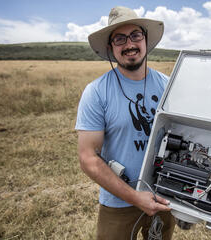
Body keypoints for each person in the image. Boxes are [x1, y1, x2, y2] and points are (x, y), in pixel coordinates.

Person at [75, 6, 175, 240]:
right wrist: (134, 196)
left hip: (164, 195)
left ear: (145, 39)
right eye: (120, 38)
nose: (129, 44)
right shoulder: (96, 92)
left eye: (135, 35)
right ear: (111, 48)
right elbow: (88, 157)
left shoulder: (169, 86)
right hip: (118, 201)